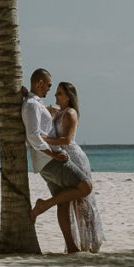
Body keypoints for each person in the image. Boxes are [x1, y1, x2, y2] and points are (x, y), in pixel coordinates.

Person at [21, 69, 101, 253]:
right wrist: (53, 154)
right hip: (52, 159)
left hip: (49, 159)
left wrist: (28, 94)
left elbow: (44, 116)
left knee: (63, 202)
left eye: (57, 91)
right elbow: (33, 136)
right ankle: (43, 205)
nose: (51, 91)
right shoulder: (32, 105)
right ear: (40, 83)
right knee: (85, 187)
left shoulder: (36, 103)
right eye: (49, 86)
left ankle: (72, 247)